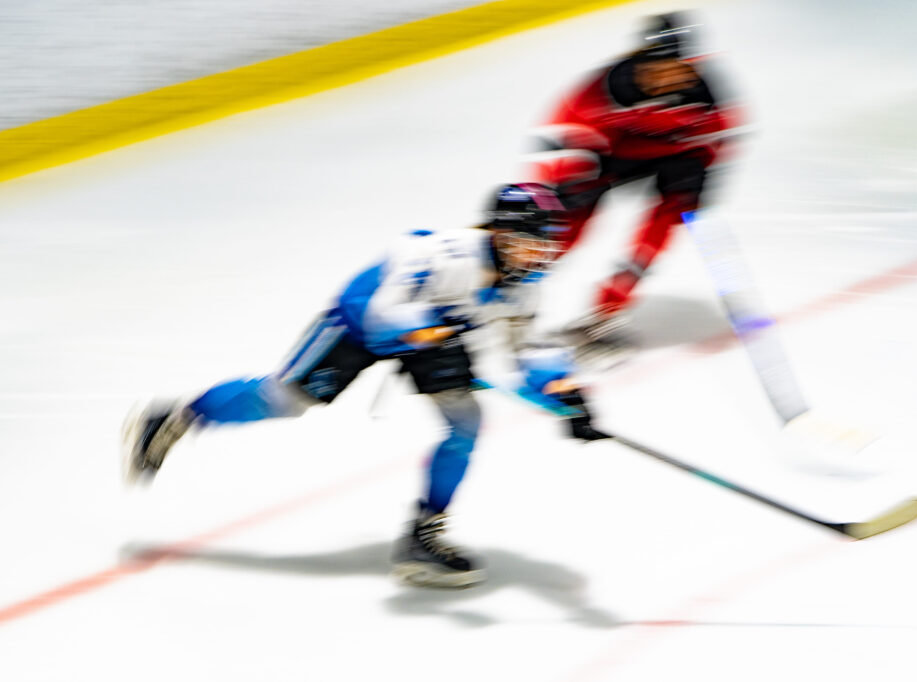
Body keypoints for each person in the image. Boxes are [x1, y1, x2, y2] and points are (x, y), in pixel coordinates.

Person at [121, 182, 610, 589]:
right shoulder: (441, 253)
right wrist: (432, 330)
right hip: (359, 323)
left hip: (435, 336)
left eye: (546, 241)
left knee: (466, 424)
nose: (543, 252)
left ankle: (423, 535)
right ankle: (177, 417)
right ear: (502, 235)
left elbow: (527, 355)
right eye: (534, 240)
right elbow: (381, 317)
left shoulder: (524, 288)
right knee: (285, 399)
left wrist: (566, 394)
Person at [528, 12, 745, 344]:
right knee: (566, 225)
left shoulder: (706, 99)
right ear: (639, 63)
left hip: (674, 158)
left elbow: (721, 137)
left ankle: (610, 307)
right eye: (653, 69)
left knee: (666, 220)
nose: (663, 79)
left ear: (688, 65)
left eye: (674, 68)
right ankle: (511, 290)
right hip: (607, 153)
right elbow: (559, 133)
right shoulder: (605, 91)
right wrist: (566, 182)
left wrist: (702, 176)